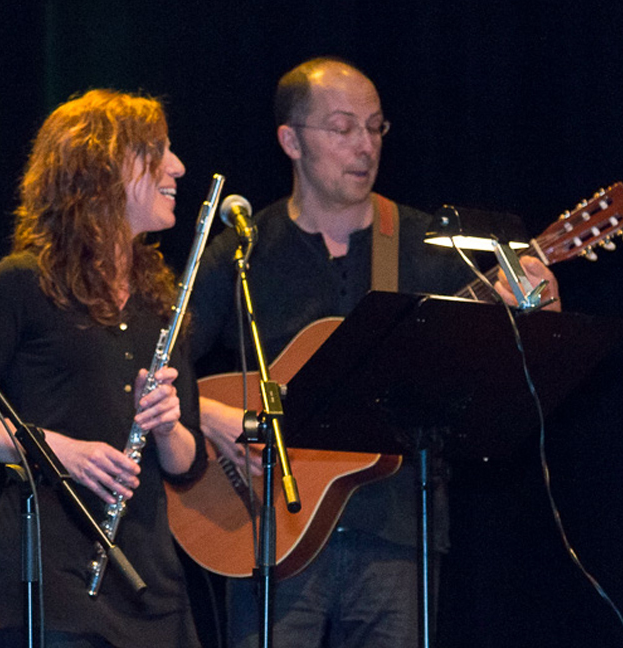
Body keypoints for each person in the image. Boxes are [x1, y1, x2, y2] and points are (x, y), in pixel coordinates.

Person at [188, 57, 560, 647]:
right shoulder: (243, 251)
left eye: (375, 127)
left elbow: (502, 375)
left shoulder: (428, 245)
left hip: (396, 534)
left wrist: (533, 310)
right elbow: (157, 365)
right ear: (290, 140)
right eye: (342, 128)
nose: (364, 145)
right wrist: (215, 416)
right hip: (267, 529)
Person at [0, 89, 207, 648]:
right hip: (52, 585)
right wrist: (62, 451)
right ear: (102, 167)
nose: (176, 167)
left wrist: (169, 425)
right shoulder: (25, 281)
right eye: (157, 152)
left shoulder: (159, 298)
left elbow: (186, 464)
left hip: (150, 585)